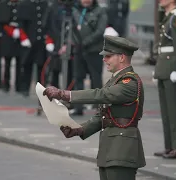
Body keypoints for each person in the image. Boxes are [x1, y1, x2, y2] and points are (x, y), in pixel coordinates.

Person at [43, 35, 146, 180]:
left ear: (122, 57)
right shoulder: (115, 80)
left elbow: (101, 95)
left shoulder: (129, 82)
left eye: (109, 56)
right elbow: (104, 115)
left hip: (123, 150)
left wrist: (63, 94)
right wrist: (80, 129)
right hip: (110, 150)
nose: (104, 59)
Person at [152, 0, 176, 159]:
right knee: (166, 111)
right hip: (164, 68)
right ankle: (170, 145)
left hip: (171, 69)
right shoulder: (167, 17)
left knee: (175, 110)